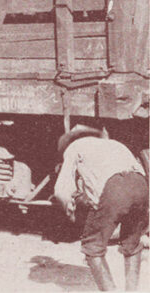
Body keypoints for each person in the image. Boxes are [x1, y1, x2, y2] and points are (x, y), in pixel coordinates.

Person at [54, 125, 148, 291]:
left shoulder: (74, 147)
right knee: (132, 245)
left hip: (115, 188)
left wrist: (70, 211)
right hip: (141, 185)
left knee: (92, 247)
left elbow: (61, 190)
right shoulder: (115, 144)